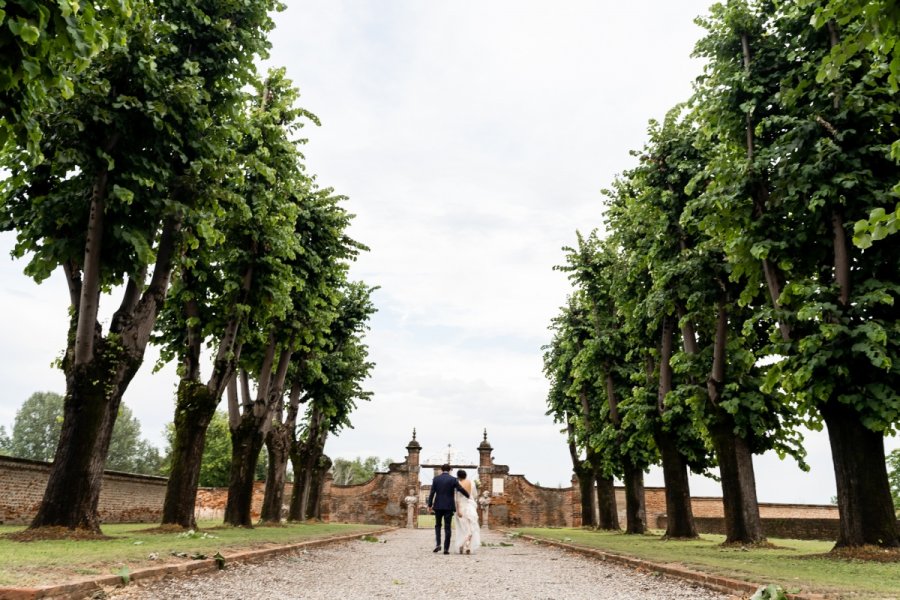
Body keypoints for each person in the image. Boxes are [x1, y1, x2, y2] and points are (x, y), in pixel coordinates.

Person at [427, 463, 469, 554]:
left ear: (441, 470)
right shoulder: (453, 479)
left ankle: (438, 544)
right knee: (447, 527)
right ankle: (446, 549)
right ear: (450, 470)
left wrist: (429, 505)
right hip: (449, 506)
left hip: (438, 505)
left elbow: (432, 493)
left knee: (438, 525)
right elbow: (460, 489)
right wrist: (468, 495)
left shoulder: (436, 479)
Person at [452, 469, 481, 554]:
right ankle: (466, 545)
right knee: (471, 528)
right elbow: (475, 495)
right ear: (466, 475)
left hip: (461, 508)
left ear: (458, 476)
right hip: (470, 507)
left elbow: (457, 499)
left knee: (463, 528)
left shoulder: (458, 484)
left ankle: (463, 545)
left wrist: (457, 510)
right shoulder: (472, 483)